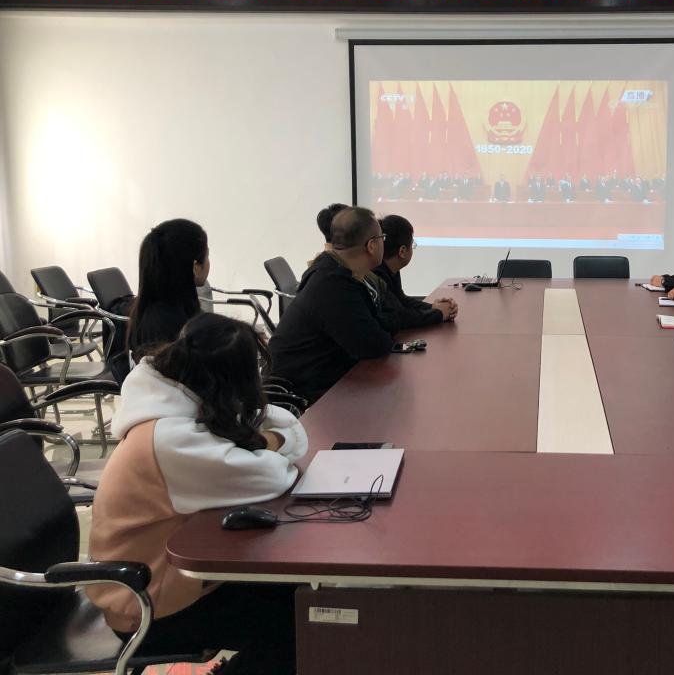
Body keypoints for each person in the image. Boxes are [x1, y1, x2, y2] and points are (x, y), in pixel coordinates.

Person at [87, 314, 307, 674]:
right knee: (297, 622)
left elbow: (277, 427)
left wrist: (264, 442)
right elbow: (274, 476)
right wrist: (271, 443)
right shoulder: (169, 438)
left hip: (166, 577)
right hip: (145, 604)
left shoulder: (175, 400)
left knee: (298, 593)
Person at [270, 207, 394, 402]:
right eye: (382, 238)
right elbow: (373, 344)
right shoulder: (334, 284)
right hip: (301, 394)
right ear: (371, 245)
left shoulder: (333, 271)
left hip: (320, 379)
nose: (383, 243)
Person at [127, 218, 210, 361]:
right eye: (207, 256)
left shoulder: (152, 311)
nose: (208, 262)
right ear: (195, 267)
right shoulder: (174, 328)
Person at [374, 215, 458, 329]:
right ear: (402, 251)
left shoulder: (390, 269)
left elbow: (402, 300)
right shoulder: (376, 275)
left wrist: (433, 307)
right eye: (412, 244)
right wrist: (439, 313)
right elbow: (401, 316)